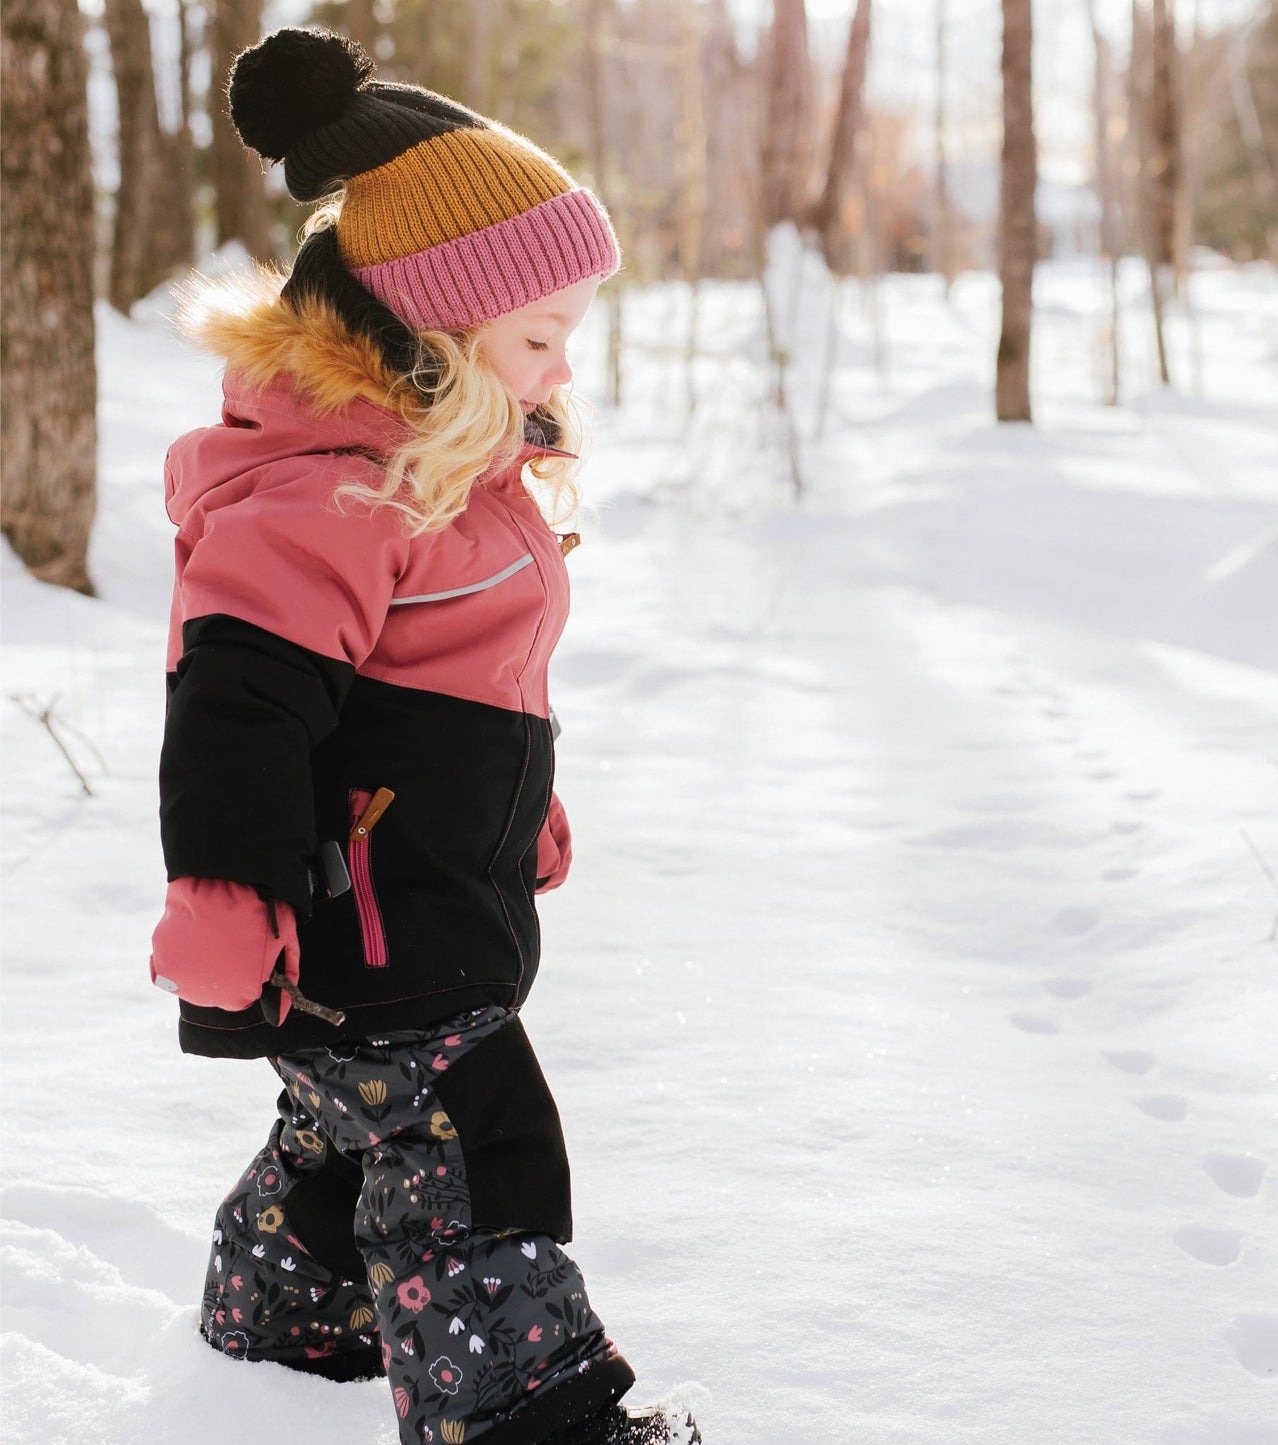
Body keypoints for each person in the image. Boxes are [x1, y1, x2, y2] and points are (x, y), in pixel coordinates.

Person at [148, 28, 699, 1445]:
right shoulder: (330, 492)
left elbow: (460, 672)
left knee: (361, 1123)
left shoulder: (443, 471)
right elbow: (238, 704)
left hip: (418, 892)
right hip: (361, 920)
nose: (561, 362)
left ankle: (281, 1322)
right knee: (469, 1142)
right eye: (536, 334)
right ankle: (531, 1411)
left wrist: (519, 811)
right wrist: (223, 898)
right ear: (432, 326)